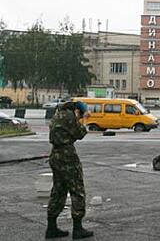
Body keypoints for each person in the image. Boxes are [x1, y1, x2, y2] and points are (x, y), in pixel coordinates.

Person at [46, 101, 93, 239]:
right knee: (77, 191)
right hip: (67, 157)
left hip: (55, 155)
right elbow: (80, 133)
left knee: (58, 191)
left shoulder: (58, 114)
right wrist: (84, 119)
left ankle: (51, 227)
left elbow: (67, 131)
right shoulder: (69, 116)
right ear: (76, 110)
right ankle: (78, 229)